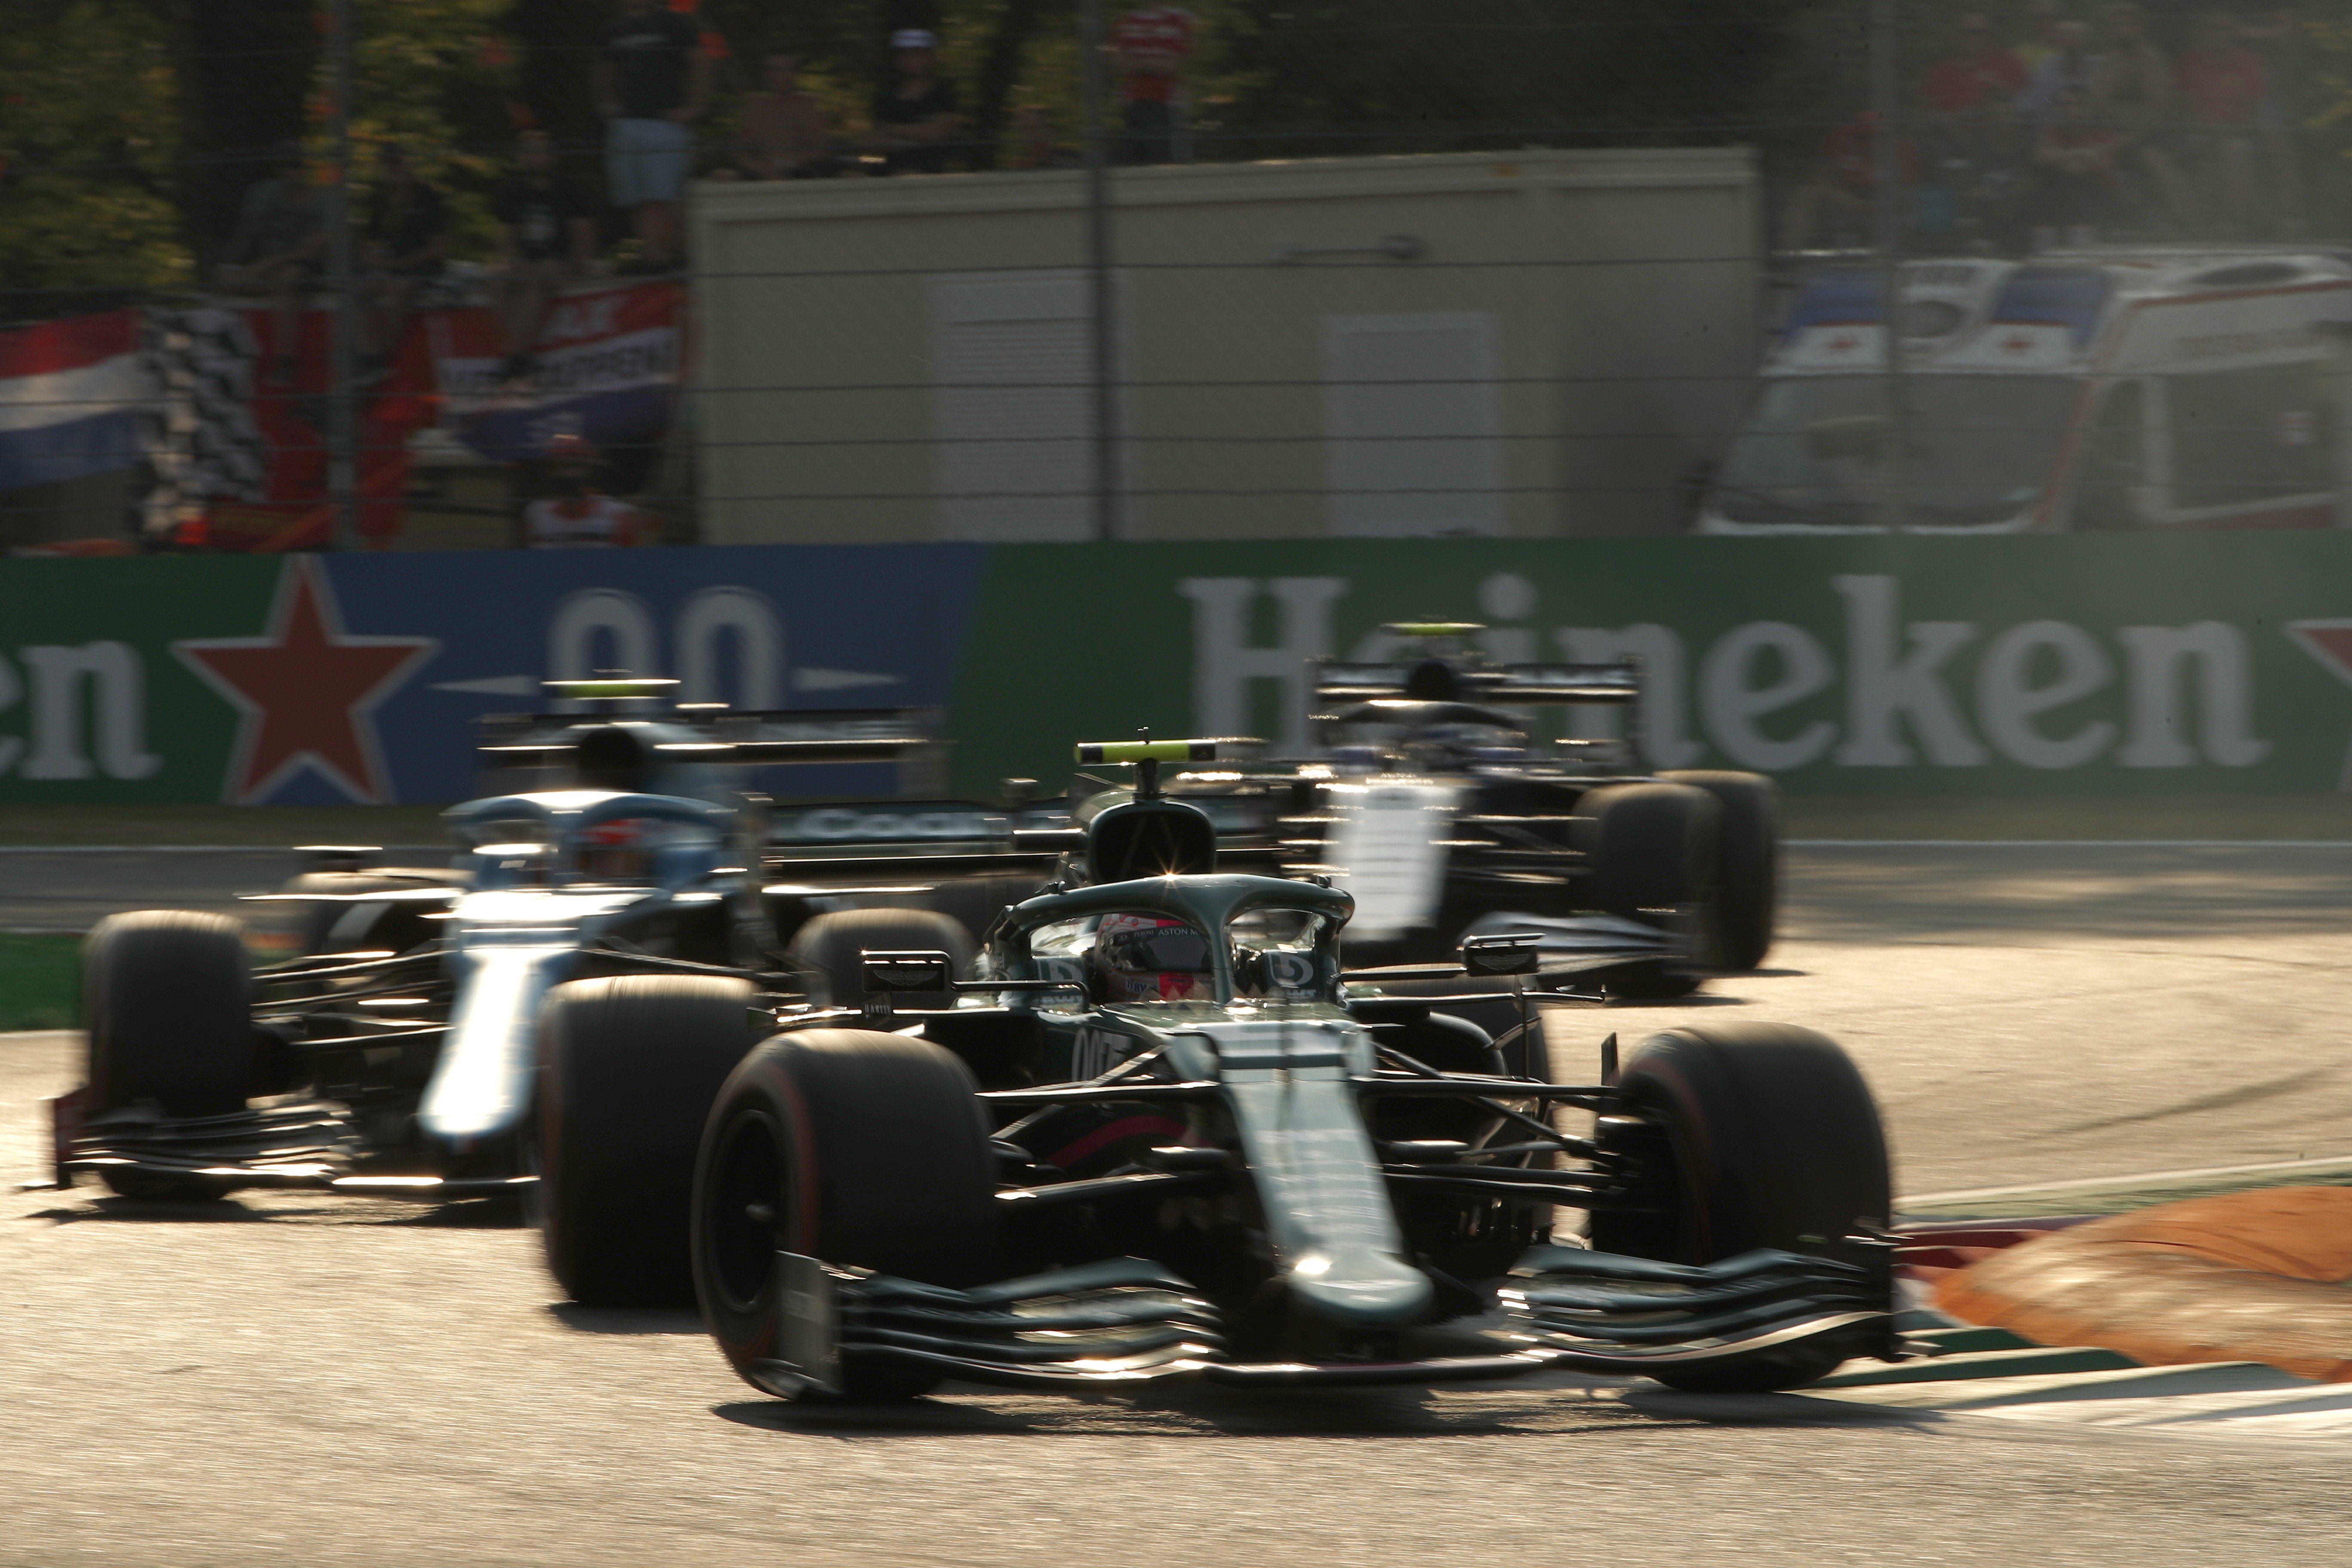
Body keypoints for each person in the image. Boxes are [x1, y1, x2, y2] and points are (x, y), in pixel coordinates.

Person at [596, 0, 710, 272]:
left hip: (664, 123)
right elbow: (603, 68)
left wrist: (694, 107)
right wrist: (607, 102)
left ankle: (676, 255)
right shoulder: (614, 30)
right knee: (635, 196)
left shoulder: (674, 23)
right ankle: (652, 256)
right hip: (626, 124)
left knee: (663, 195)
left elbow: (701, 62)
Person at [492, 130, 599, 387]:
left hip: (560, 262)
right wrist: (513, 260)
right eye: (529, 152)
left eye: (541, 152)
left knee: (537, 278)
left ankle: (516, 358)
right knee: (497, 280)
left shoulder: (569, 190)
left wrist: (574, 265)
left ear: (553, 157)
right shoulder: (514, 192)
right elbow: (508, 238)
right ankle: (518, 355)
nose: (535, 157)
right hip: (526, 262)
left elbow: (584, 238)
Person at [217, 141, 327, 386]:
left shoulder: (323, 200)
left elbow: (310, 251)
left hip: (305, 268)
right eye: (285, 167)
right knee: (227, 282)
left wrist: (265, 264)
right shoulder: (263, 192)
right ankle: (229, 360)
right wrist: (231, 266)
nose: (291, 172)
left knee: (288, 281)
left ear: (305, 169)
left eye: (296, 166)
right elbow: (246, 231)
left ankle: (285, 361)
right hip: (268, 269)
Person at [359, 142, 448, 382]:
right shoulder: (378, 199)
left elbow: (438, 248)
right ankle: (368, 356)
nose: (394, 170)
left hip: (419, 266)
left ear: (409, 166)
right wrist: (371, 258)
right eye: (388, 165)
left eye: (398, 164)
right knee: (362, 288)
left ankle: (382, 359)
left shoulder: (428, 198)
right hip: (389, 266)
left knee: (398, 290)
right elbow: (368, 241)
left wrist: (396, 266)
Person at [2176, 9, 2270, 235]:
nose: (2218, 34)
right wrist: (2204, 130)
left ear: (2232, 33)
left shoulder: (2247, 61)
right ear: (2201, 32)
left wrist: (2240, 129)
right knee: (2209, 152)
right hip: (2197, 133)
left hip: (2239, 132)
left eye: (2224, 29)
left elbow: (2256, 105)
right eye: (2211, 29)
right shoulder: (2188, 62)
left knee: (2235, 149)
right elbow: (2180, 107)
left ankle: (2235, 223)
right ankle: (2196, 223)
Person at [523, 433, 653, 548]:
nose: (569, 474)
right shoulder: (536, 514)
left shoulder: (619, 514)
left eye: (577, 464)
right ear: (551, 469)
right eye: (562, 464)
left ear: (590, 468)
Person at [862, 28, 959, 175]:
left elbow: (939, 132)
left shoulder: (942, 95)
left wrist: (894, 131)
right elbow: (875, 145)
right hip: (887, 169)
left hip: (930, 171)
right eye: (907, 55)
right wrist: (919, 135)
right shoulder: (886, 99)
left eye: (919, 55)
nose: (913, 60)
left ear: (931, 58)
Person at [1111, 6, 1196, 165]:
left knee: (1167, 161)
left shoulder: (1178, 20)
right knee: (1135, 162)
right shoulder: (1127, 22)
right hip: (1133, 105)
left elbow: (1173, 66)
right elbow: (1121, 65)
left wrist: (1139, 63)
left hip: (1167, 105)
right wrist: (1155, 63)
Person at [735, 51, 834, 179]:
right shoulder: (754, 105)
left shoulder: (809, 106)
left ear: (795, 73)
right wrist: (760, 168)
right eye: (771, 70)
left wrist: (782, 166)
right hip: (757, 176)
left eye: (782, 70)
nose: (775, 76)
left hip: (802, 176)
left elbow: (819, 151)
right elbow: (740, 149)